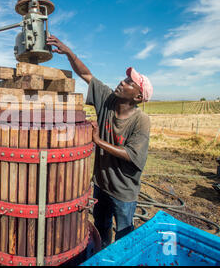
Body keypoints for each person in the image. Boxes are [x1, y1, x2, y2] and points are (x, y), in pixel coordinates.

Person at [47, 35, 153, 248]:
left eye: (129, 82)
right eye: (124, 79)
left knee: (124, 235)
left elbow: (131, 155)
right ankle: (103, 256)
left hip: (124, 191)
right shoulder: (108, 100)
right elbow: (86, 75)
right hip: (101, 185)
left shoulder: (141, 121)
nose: (122, 82)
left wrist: (98, 141)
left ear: (138, 97)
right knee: (101, 227)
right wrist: (68, 52)